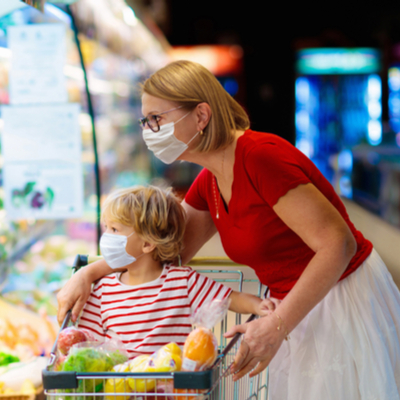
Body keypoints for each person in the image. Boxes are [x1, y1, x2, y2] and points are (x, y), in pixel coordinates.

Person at [57, 60, 400, 399]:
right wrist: (89, 273)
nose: (149, 131)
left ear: (201, 116)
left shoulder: (261, 157)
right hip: (292, 305)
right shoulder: (210, 179)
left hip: (337, 296)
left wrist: (277, 326)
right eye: (145, 121)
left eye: (157, 119)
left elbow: (338, 244)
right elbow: (167, 249)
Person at [76, 185, 270, 358]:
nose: (107, 237)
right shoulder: (102, 290)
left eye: (115, 230)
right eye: (106, 228)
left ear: (147, 243)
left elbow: (231, 299)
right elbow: (86, 344)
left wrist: (259, 306)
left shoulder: (182, 282)